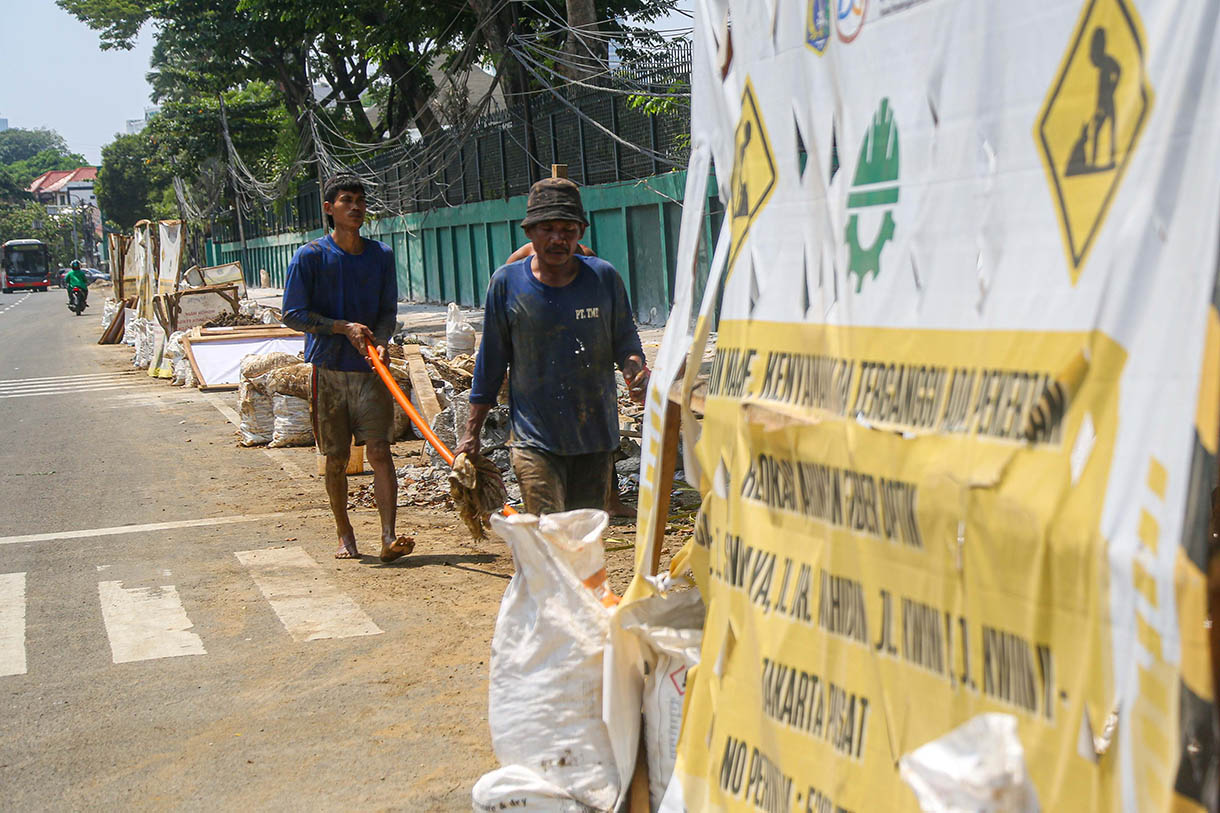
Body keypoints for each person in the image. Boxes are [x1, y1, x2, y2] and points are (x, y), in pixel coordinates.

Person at [457, 177, 649, 515]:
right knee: (548, 532)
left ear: (581, 232)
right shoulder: (507, 284)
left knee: (579, 542)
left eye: (568, 229)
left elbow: (625, 339)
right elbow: (490, 365)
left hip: (594, 437)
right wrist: (471, 434)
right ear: (529, 232)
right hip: (535, 440)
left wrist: (635, 368)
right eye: (548, 228)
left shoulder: (603, 278)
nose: (558, 238)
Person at [281, 174, 415, 562]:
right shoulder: (311, 256)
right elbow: (292, 314)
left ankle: (389, 536)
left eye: (360, 200)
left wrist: (383, 342)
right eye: (346, 200)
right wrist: (342, 327)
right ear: (329, 209)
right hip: (329, 371)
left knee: (380, 452)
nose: (355, 206)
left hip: (371, 371)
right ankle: (344, 533)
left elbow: (388, 311)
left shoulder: (381, 256)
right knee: (337, 459)